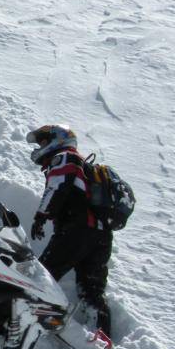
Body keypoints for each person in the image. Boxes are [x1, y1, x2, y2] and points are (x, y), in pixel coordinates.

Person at [27, 124, 113, 335]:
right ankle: (101, 336)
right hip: (101, 235)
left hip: (76, 231)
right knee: (92, 291)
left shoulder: (65, 157)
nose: (41, 146)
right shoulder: (84, 165)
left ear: (60, 139)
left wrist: (41, 216)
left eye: (45, 141)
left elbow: (57, 186)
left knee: (43, 276)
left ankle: (31, 323)